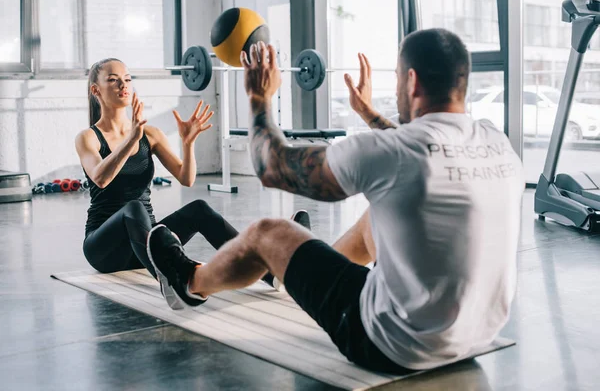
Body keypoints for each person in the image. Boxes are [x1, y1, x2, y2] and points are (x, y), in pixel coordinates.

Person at [146, 28, 525, 373]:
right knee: (376, 215)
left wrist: (259, 99)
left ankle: (188, 282)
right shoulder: (496, 141)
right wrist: (369, 114)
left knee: (268, 233)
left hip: (393, 346)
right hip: (474, 339)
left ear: (411, 81)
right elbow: (425, 150)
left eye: (396, 78)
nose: (395, 88)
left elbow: (271, 166)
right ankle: (291, 279)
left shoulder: (391, 153)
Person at [75, 58, 294, 307]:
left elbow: (186, 178)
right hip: (105, 248)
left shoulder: (150, 134)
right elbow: (101, 178)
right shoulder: (88, 137)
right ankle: (175, 278)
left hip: (147, 245)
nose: (122, 86)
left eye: (126, 79)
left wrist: (188, 144)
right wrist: (130, 140)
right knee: (133, 208)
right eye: (113, 80)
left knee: (199, 208)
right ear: (96, 90)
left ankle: (267, 271)